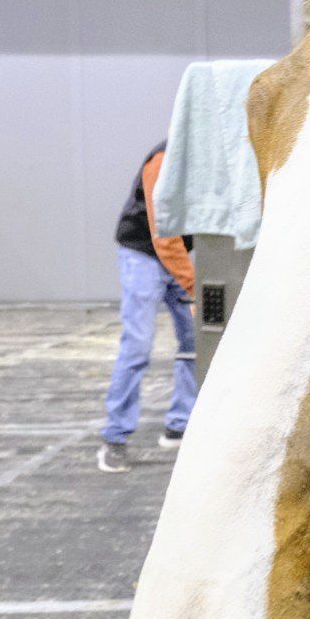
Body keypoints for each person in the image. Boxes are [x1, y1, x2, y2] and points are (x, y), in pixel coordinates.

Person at [98, 142, 198, 473]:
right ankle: (114, 438)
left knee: (195, 340)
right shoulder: (164, 160)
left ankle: (179, 426)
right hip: (143, 253)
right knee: (138, 345)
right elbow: (164, 236)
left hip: (175, 253)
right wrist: (193, 288)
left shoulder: (213, 158)